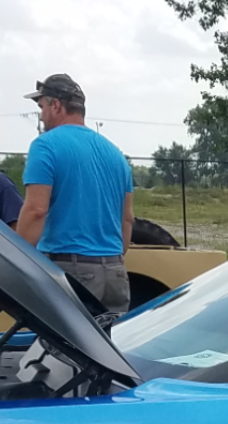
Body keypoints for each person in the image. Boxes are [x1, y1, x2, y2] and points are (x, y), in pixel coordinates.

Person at [15, 74, 135, 313]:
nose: (41, 115)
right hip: (115, 273)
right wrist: (111, 259)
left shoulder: (45, 145)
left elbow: (36, 211)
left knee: (62, 349)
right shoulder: (115, 154)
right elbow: (128, 218)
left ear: (56, 105)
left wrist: (14, 259)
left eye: (41, 107)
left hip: (71, 271)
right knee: (105, 348)